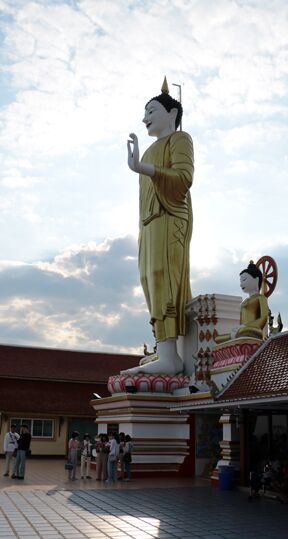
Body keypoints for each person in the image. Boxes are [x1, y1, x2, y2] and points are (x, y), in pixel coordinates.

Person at [123, 77, 193, 376]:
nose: (145, 118)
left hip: (171, 216)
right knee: (149, 278)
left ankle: (171, 357)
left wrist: (145, 169)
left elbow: (183, 179)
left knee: (165, 276)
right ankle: (163, 348)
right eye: (145, 112)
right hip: (148, 223)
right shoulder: (149, 151)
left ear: (172, 114)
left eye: (151, 111)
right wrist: (142, 167)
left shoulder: (180, 139)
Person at [217, 262, 269, 343]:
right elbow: (241, 323)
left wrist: (245, 326)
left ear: (256, 280)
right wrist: (239, 328)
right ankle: (236, 335)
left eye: (244, 280)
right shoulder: (244, 302)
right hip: (241, 331)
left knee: (243, 331)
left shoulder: (261, 298)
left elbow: (264, 318)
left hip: (253, 330)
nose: (241, 284)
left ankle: (238, 334)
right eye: (240, 281)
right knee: (217, 339)